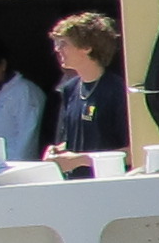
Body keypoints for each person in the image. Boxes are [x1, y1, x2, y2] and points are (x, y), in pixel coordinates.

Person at [49, 12, 124, 164]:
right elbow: (74, 142)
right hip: (76, 178)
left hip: (108, 178)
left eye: (63, 43)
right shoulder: (69, 89)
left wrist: (81, 160)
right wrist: (57, 151)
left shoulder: (117, 90)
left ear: (86, 47)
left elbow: (133, 151)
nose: (57, 49)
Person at [0, 42, 48, 158]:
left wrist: (17, 165)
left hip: (17, 163)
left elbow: (27, 137)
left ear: (2, 65)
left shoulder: (24, 91)